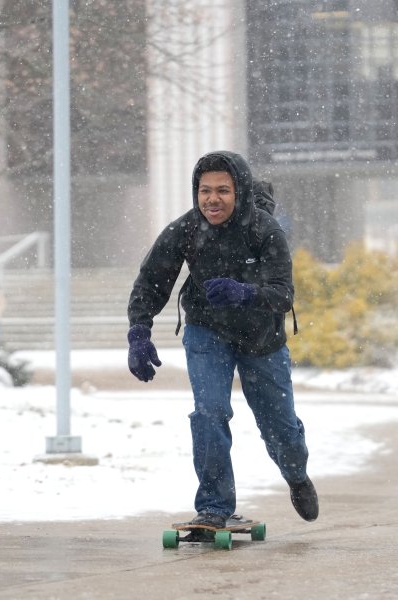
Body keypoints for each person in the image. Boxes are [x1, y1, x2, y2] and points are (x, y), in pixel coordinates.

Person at [126, 150, 318, 528]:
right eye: (204, 191)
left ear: (240, 191)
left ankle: (296, 474)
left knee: (280, 429)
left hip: (262, 339)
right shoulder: (186, 229)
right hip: (207, 331)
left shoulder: (265, 230)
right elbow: (151, 281)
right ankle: (214, 506)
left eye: (223, 191)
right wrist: (138, 331)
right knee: (209, 412)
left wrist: (244, 292)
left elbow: (283, 294)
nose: (212, 199)